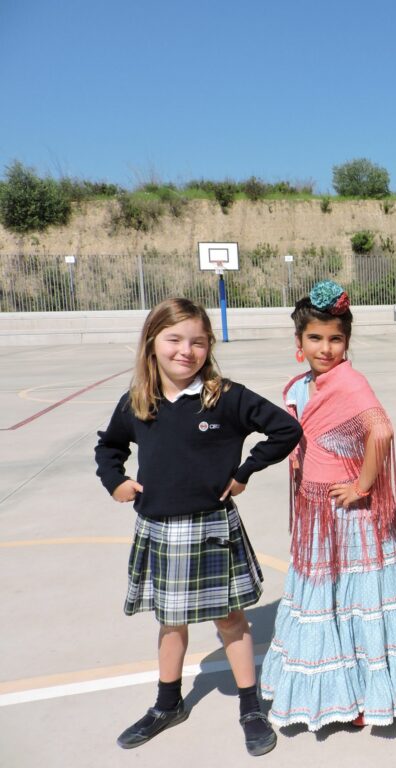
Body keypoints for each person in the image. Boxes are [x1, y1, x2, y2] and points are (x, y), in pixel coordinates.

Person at [95, 298, 302, 756]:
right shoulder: (138, 401)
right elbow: (108, 446)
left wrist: (245, 471)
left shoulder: (226, 397)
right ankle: (167, 703)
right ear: (152, 343)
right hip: (160, 528)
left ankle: (250, 707)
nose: (185, 351)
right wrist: (116, 482)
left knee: (230, 620)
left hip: (211, 526)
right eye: (174, 339)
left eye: (198, 342)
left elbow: (286, 430)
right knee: (170, 622)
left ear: (208, 348)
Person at [259, 281, 396, 730]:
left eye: (335, 339)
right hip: (317, 511)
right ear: (298, 342)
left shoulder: (349, 382)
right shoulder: (304, 384)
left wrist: (362, 485)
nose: (326, 347)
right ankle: (343, 690)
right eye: (315, 338)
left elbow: (381, 431)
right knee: (331, 601)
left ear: (347, 342)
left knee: (358, 600)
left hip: (349, 515)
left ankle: (367, 693)